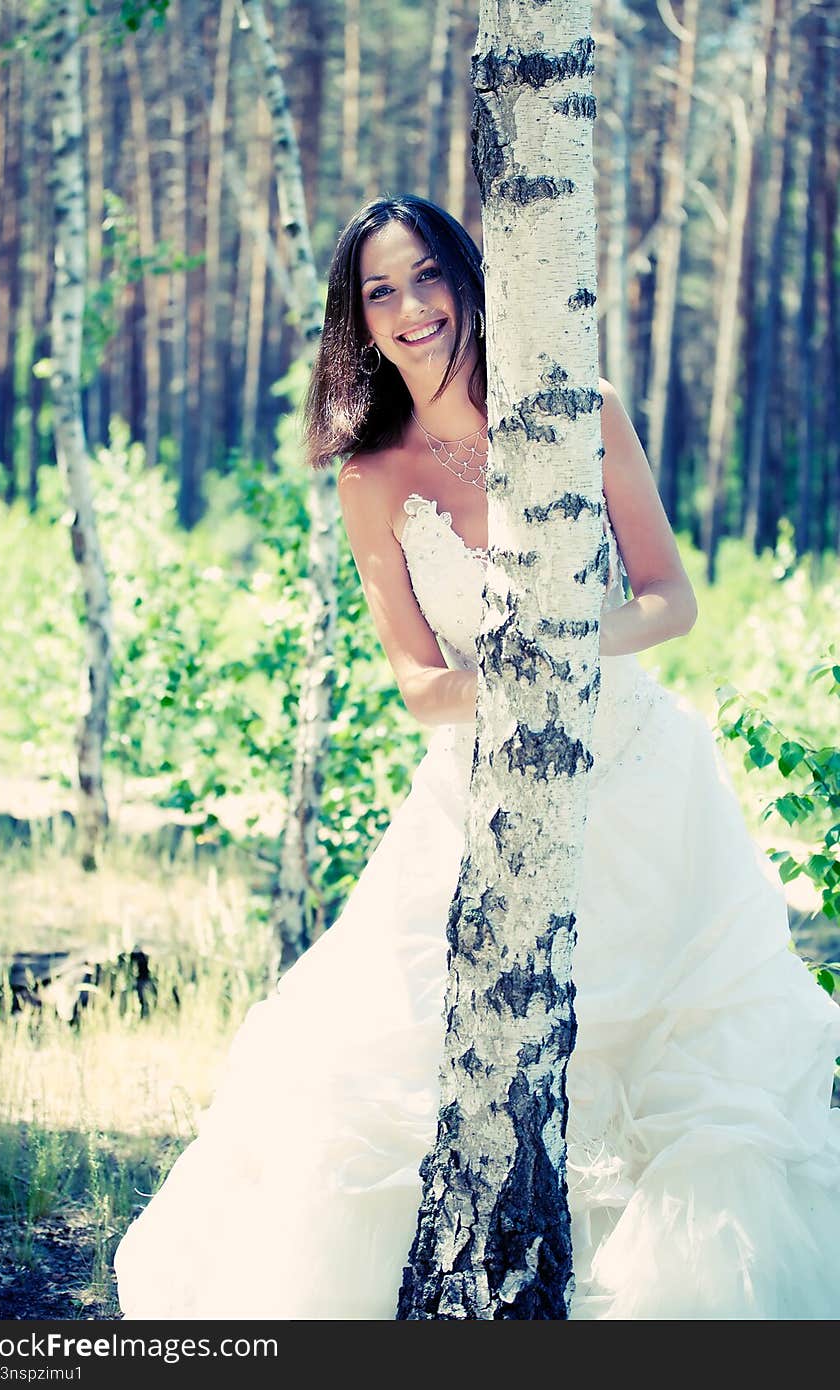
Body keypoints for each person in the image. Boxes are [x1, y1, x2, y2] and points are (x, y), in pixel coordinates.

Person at [114, 194, 840, 1320]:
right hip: (483, 798)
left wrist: (562, 645)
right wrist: (512, 681)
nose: (411, 309)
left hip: (645, 787)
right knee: (397, 1064)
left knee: (680, 1074)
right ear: (356, 319)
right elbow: (414, 682)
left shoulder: (576, 410)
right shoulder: (371, 475)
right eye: (379, 291)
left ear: (466, 277)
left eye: (426, 278)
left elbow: (670, 598)